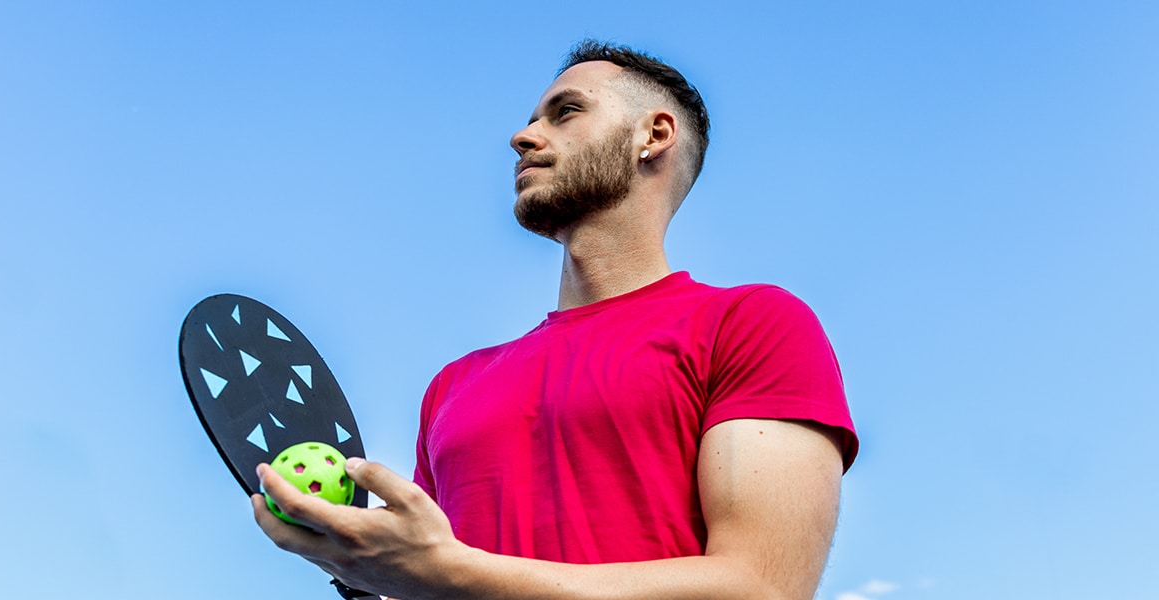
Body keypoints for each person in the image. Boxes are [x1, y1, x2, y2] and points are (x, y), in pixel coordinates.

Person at [253, 39, 859, 600]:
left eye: (564, 112)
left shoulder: (751, 324)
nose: (522, 136)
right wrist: (371, 570)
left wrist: (445, 571)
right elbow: (434, 576)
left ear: (653, 133)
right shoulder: (452, 386)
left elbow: (759, 587)